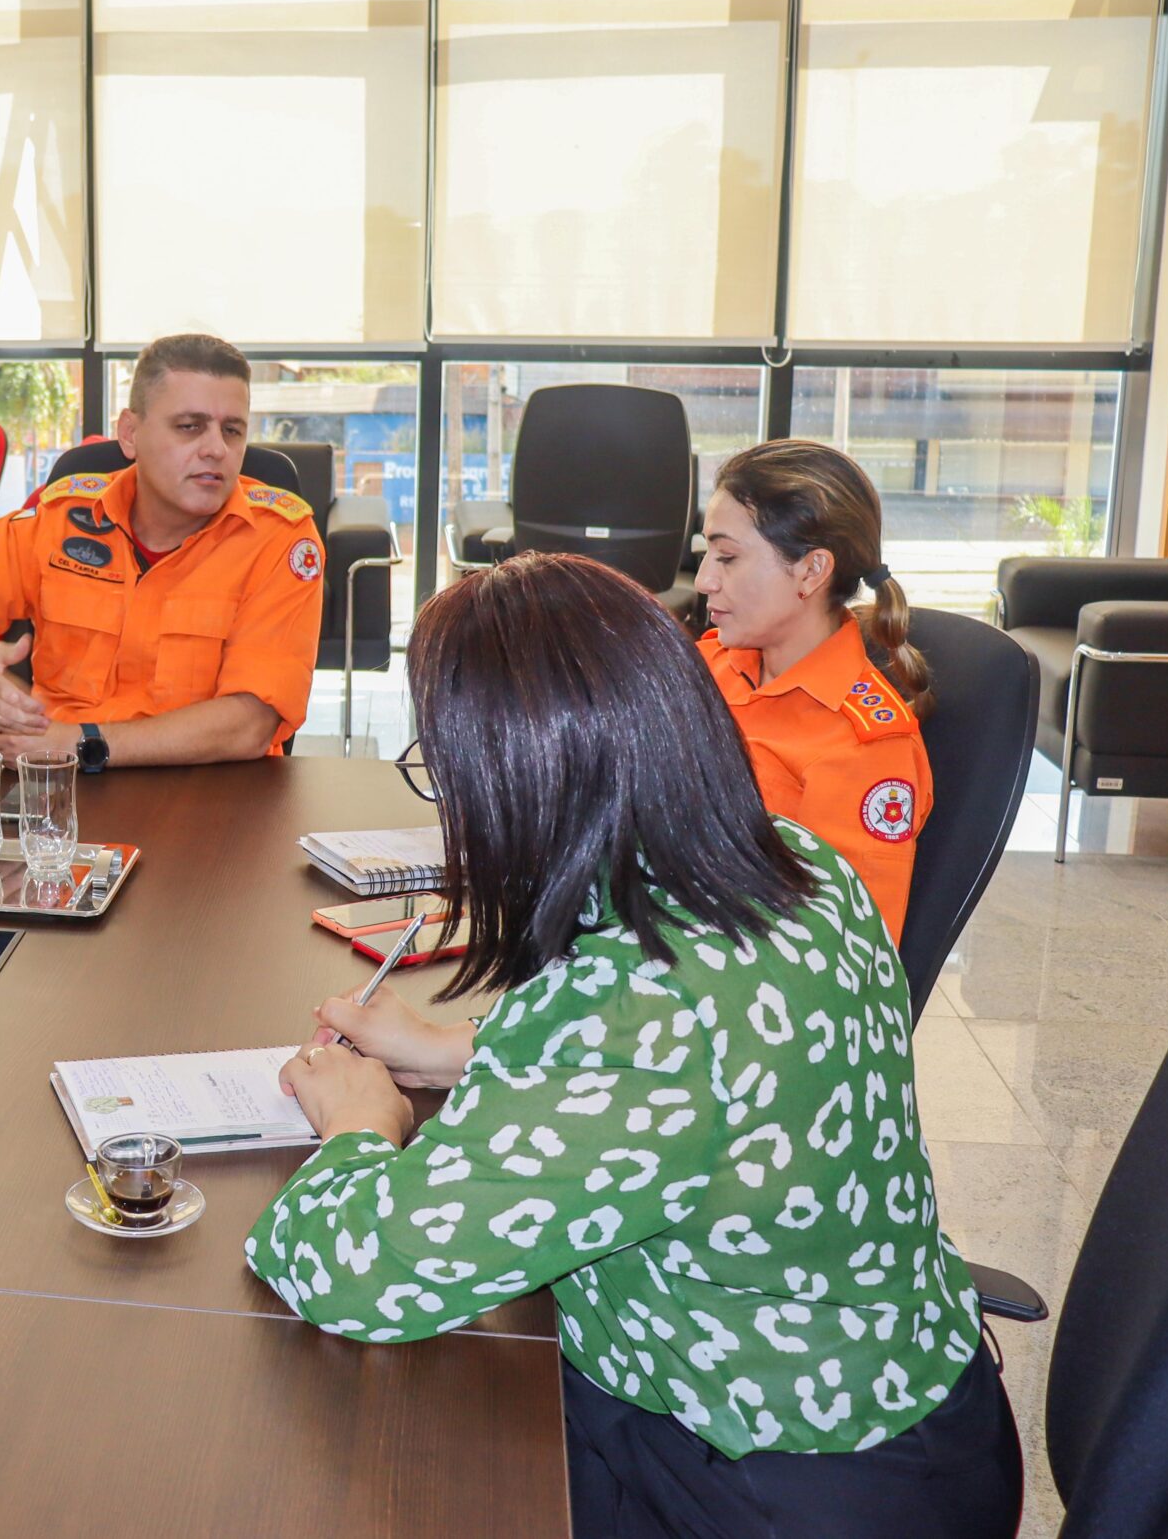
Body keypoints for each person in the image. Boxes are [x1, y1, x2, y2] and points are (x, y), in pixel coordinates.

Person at [252, 553, 1018, 1539]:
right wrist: (460, 1050)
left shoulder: (639, 1015)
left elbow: (359, 1272)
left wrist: (359, 1125)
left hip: (774, 1480)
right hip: (906, 1420)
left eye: (445, 771)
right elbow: (718, 1077)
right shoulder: (799, 866)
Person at [0, 333, 323, 769]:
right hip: (59, 801)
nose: (215, 449)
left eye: (232, 430)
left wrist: (80, 743)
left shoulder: (280, 539)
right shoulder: (57, 520)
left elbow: (250, 724)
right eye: (189, 427)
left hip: (214, 804)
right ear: (130, 434)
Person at [694, 441, 934, 944]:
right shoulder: (711, 664)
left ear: (811, 571)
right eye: (706, 555)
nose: (703, 581)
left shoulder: (865, 747)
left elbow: (839, 947)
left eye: (728, 557)